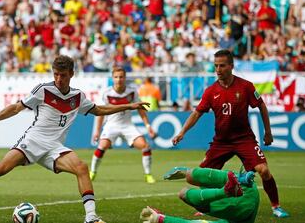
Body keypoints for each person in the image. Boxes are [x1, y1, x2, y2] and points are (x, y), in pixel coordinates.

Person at [0, 55, 151, 223]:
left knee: (81, 167)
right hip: (33, 140)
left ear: (72, 74)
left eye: (63, 75)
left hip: (54, 148)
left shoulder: (78, 97)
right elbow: (14, 108)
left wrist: (129, 105)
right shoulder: (44, 90)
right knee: (0, 169)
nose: (59, 79)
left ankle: (90, 217)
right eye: (56, 74)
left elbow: (100, 109)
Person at [172, 50, 289, 218]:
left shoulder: (246, 86)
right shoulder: (211, 91)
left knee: (263, 170)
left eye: (222, 65)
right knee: (201, 175)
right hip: (221, 142)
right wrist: (182, 132)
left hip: (244, 140)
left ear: (231, 66)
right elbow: (197, 112)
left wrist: (268, 132)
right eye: (216, 66)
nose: (218, 69)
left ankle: (276, 206)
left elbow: (262, 106)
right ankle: (207, 205)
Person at [90, 67, 157, 184]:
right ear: (112, 78)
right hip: (111, 125)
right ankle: (92, 172)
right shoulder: (106, 93)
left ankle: (148, 175)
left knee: (145, 146)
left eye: (121, 77)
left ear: (125, 78)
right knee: (102, 146)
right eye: (116, 77)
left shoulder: (132, 92)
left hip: (127, 126)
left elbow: (141, 109)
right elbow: (99, 113)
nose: (119, 79)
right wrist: (97, 131)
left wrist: (148, 126)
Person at [140, 167, 259, 223]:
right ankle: (187, 172)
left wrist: (160, 219)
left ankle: (226, 190)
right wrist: (160, 219)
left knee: (186, 194)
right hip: (247, 193)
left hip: (244, 199)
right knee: (184, 194)